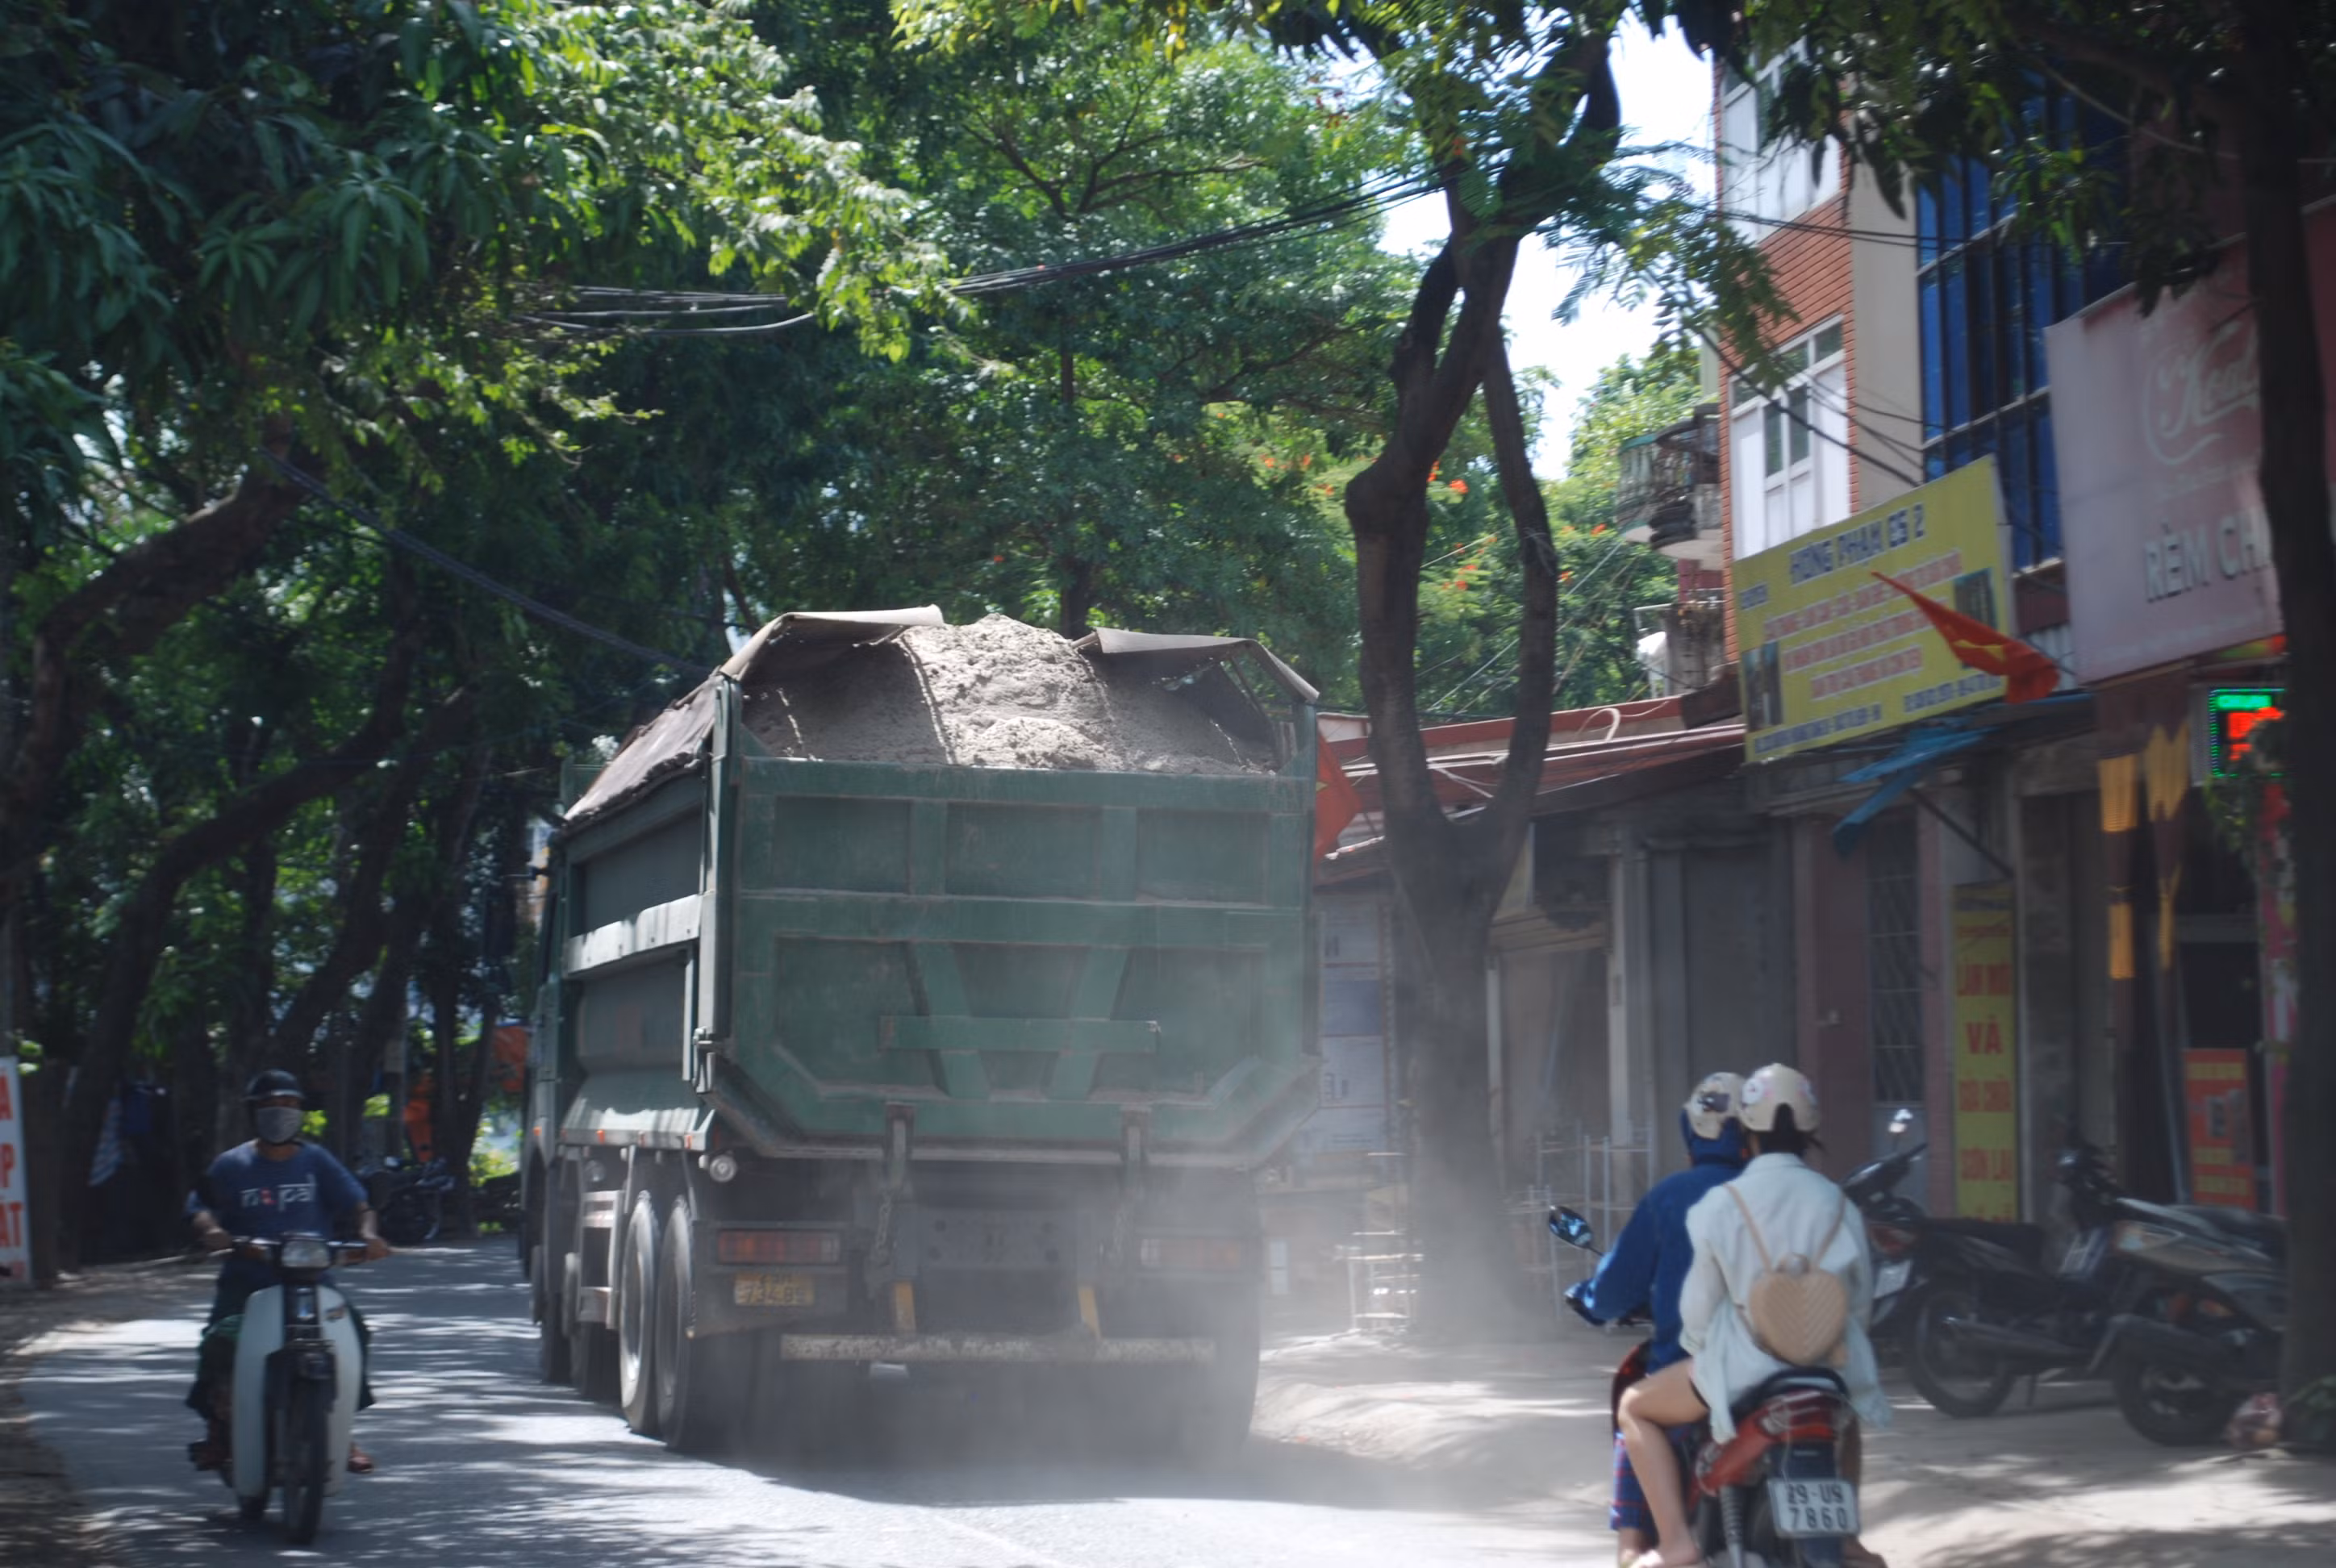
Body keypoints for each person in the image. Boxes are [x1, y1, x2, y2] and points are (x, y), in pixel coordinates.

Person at [1613, 1064, 1891, 1568]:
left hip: (1741, 1372)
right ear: (1810, 1132)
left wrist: (1704, 1352)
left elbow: (1697, 1312)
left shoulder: (1723, 1204)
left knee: (1635, 1406)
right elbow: (1861, 1307)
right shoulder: (1840, 1204)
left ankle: (1676, 1541)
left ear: (1747, 1133)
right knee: (1844, 1420)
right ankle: (1847, 1539)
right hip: (1826, 1370)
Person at [1565, 1072, 1749, 1566]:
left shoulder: (1671, 1197)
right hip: (1785, 1368)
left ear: (1692, 1132)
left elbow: (1614, 1290)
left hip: (1697, 1374)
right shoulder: (1775, 1192)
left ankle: (1656, 1546)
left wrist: (1587, 1297)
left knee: (1634, 1406)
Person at [185, 1070, 390, 1474]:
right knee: (218, 1340)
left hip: (313, 1279)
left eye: (290, 1104)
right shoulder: (232, 1165)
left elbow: (359, 1204)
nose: (280, 1112)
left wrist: (369, 1235)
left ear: (301, 1112)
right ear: (253, 1112)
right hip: (247, 1279)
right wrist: (212, 1230)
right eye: (269, 1105)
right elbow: (199, 1206)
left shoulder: (317, 1161)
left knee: (355, 1330)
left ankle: (341, 1430)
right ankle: (218, 1429)